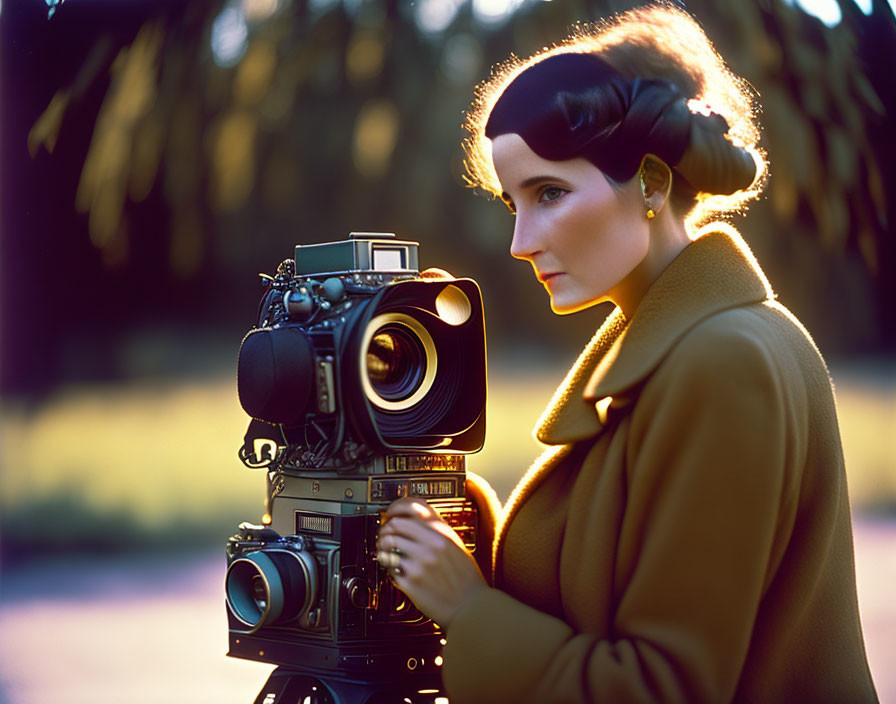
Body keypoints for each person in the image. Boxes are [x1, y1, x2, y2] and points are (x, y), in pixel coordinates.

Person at [376, 5, 879, 702]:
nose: (520, 242)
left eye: (549, 194)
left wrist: (470, 610)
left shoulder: (723, 361)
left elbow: (659, 685)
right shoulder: (691, 345)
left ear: (650, 182)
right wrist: (455, 522)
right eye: (511, 203)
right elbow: (600, 584)